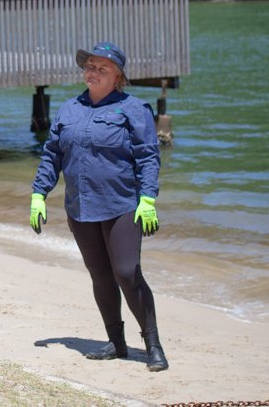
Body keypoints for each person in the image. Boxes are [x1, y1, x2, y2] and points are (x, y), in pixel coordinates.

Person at [28, 41, 168, 371]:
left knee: (126, 272)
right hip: (81, 208)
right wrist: (39, 194)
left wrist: (148, 198)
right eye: (90, 66)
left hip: (122, 206)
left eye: (102, 68)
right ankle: (116, 343)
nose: (92, 72)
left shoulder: (134, 109)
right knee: (100, 275)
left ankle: (153, 344)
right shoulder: (68, 110)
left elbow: (148, 157)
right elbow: (52, 155)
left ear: (118, 76)